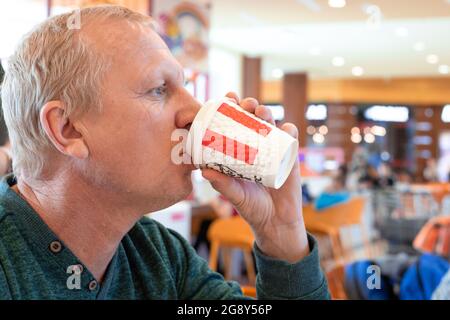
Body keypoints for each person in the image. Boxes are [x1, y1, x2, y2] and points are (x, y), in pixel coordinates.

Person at [0, 6, 329, 299]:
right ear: (68, 128)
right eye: (159, 89)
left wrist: (281, 232)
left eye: (183, 86)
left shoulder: (161, 256)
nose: (194, 111)